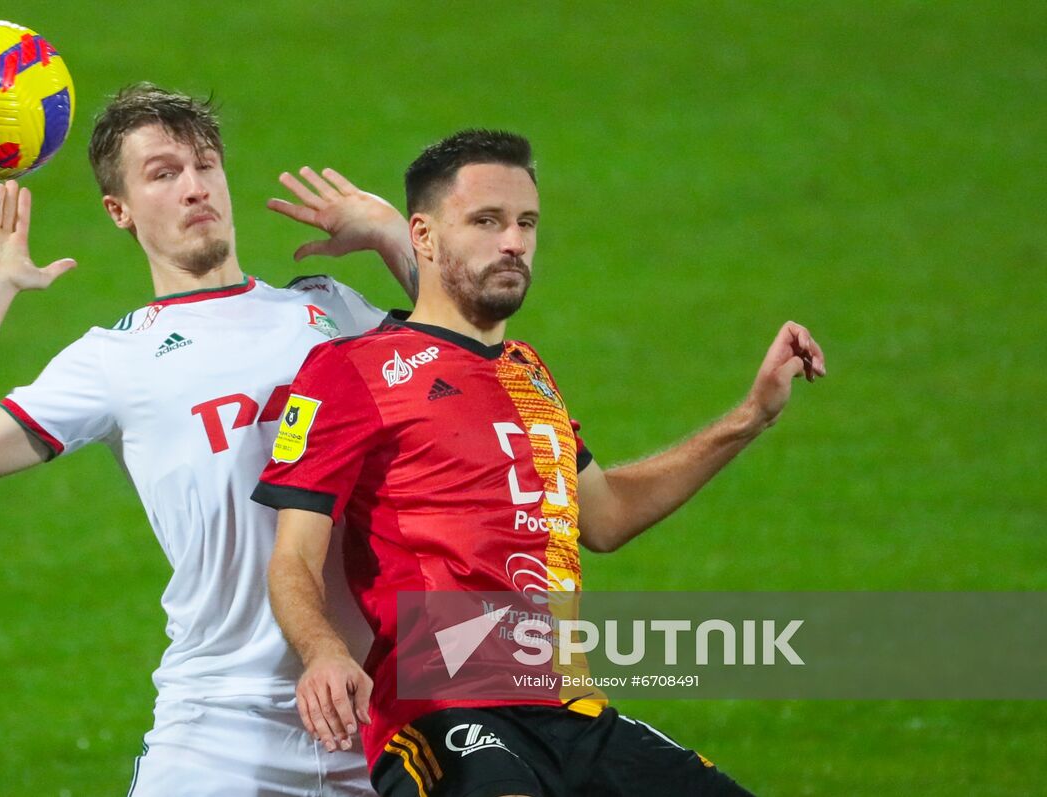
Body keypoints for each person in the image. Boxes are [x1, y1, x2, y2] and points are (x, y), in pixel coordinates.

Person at [254, 129, 827, 796]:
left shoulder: (528, 372)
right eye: (487, 221)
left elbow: (605, 515)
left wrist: (749, 415)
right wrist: (323, 650)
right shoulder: (352, 370)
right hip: (444, 707)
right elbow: (293, 555)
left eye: (526, 223)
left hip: (574, 713)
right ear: (426, 236)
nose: (514, 242)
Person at [0, 83, 418, 796]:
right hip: (220, 730)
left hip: (381, 717)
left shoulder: (328, 309)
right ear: (120, 211)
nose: (195, 187)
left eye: (205, 165)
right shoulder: (116, 358)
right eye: (164, 174)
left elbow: (478, 360)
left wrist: (394, 238)